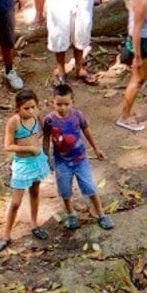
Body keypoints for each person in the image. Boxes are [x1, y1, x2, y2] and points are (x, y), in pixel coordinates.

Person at [43, 81, 105, 229]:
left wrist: (96, 149)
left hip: (80, 159)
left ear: (72, 102)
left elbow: (87, 131)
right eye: (59, 104)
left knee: (90, 186)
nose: (63, 107)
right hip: (61, 162)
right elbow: (46, 139)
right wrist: (46, 157)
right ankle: (71, 214)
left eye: (66, 104)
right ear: (53, 102)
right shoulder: (49, 120)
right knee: (65, 189)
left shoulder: (77, 115)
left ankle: (101, 214)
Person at [0, 86, 49, 237]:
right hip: (23, 164)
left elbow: (45, 131)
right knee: (16, 202)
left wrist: (45, 150)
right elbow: (8, 146)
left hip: (37, 161)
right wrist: (29, 148)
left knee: (35, 192)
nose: (30, 111)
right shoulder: (14, 122)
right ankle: (6, 234)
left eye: (33, 107)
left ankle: (34, 224)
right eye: (26, 108)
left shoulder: (36, 116)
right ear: (18, 109)